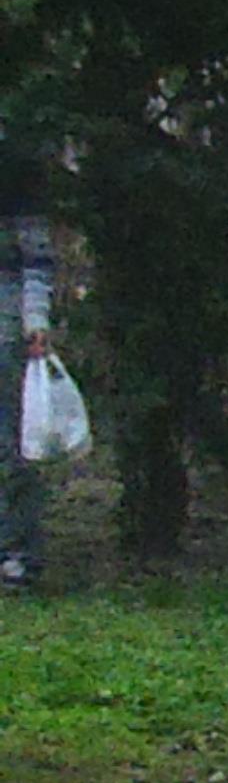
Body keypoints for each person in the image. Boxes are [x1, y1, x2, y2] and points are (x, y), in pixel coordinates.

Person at [2, 137, 56, 595]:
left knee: (14, 446)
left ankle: (18, 552)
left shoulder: (14, 170)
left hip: (6, 325)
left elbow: (36, 259)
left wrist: (35, 320)